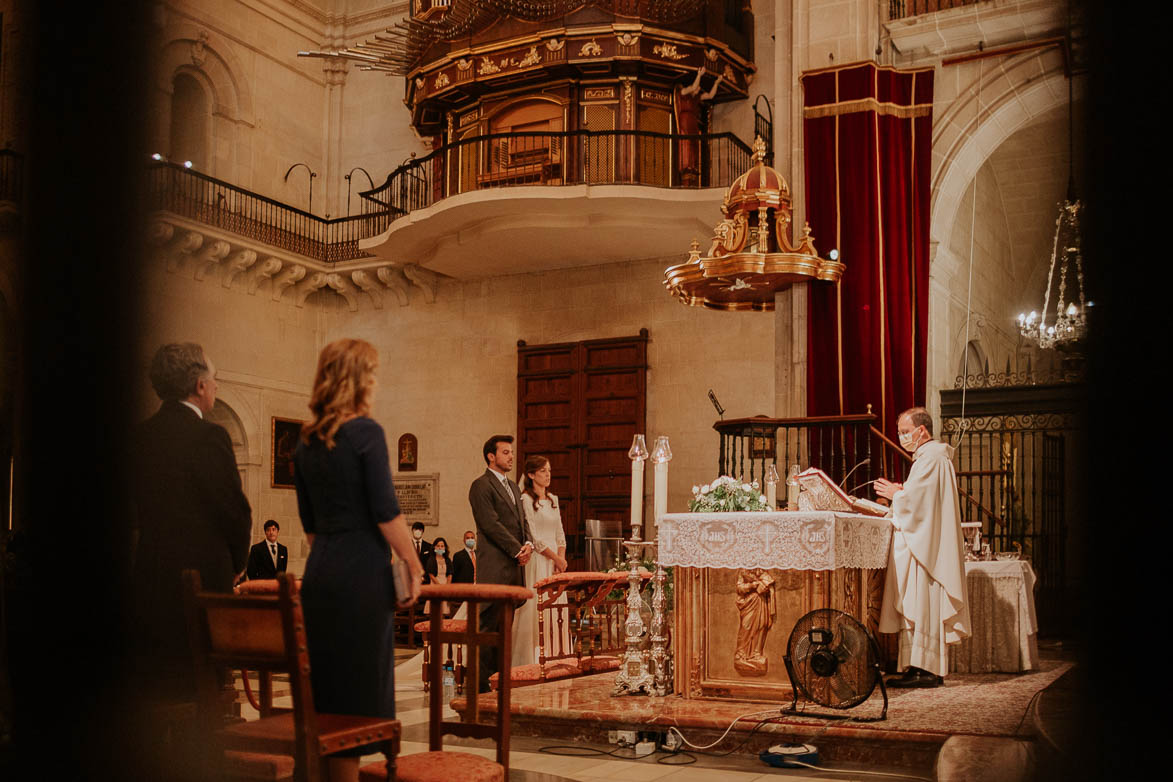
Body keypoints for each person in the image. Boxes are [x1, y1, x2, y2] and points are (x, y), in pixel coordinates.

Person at [293, 338, 423, 782]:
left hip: (320, 574)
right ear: (359, 379)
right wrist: (414, 563)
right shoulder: (367, 433)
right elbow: (386, 512)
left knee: (327, 692)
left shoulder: (305, 443)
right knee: (359, 697)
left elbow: (310, 527)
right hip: (362, 578)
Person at [130, 342, 252, 699]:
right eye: (214, 380)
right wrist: (237, 563)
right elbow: (233, 510)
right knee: (204, 683)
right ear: (199, 386)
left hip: (150, 575)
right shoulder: (210, 436)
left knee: (159, 683)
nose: (215, 386)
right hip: (203, 580)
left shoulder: (140, 437)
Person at [875, 407, 970, 688]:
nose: (903, 437)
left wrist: (897, 494)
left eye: (906, 432)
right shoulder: (928, 458)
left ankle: (926, 669)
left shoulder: (933, 457)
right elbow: (919, 497)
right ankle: (915, 665)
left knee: (922, 601)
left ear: (922, 430)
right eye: (901, 432)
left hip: (925, 550)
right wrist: (902, 494)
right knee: (914, 603)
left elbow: (920, 505)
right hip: (920, 543)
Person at [468, 434, 534, 692]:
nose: (511, 456)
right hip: (495, 567)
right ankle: (479, 687)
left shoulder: (514, 487)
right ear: (491, 456)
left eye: (511, 452)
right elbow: (490, 524)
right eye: (505, 452)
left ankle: (497, 681)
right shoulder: (481, 485)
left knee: (504, 629)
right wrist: (516, 549)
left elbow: (522, 520)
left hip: (513, 568)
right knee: (486, 628)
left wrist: (527, 543)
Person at [516, 455, 569, 666]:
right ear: (531, 475)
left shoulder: (554, 499)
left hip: (555, 563)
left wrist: (561, 560)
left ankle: (558, 654)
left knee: (556, 609)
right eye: (542, 471)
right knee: (536, 608)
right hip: (539, 560)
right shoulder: (526, 500)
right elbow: (535, 538)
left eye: (549, 470)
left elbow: (560, 533)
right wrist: (555, 557)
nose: (548, 475)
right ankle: (534, 657)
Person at [422, 536, 453, 616]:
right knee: (434, 611)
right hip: (435, 584)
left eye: (442, 546)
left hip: (445, 585)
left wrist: (447, 586)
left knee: (445, 613)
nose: (440, 548)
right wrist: (439, 586)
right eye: (438, 546)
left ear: (445, 548)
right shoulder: (431, 560)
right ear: (434, 547)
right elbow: (431, 575)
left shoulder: (447, 560)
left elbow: (450, 573)